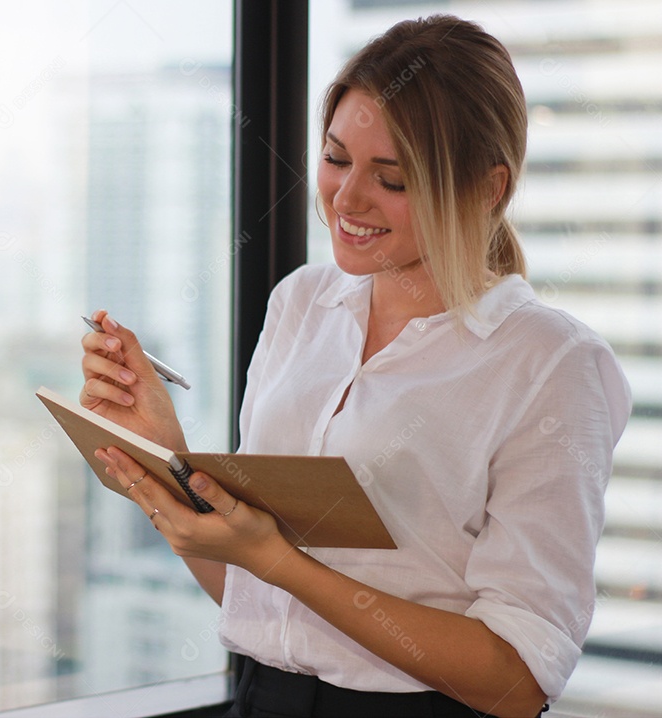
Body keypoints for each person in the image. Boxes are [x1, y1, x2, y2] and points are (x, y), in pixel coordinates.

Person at [79, 14, 633, 718]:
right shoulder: (300, 304)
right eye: (337, 159)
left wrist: (279, 560)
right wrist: (165, 454)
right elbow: (250, 589)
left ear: (488, 188)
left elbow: (518, 679)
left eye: (391, 178)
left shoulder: (552, 364)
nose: (346, 199)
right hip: (262, 698)